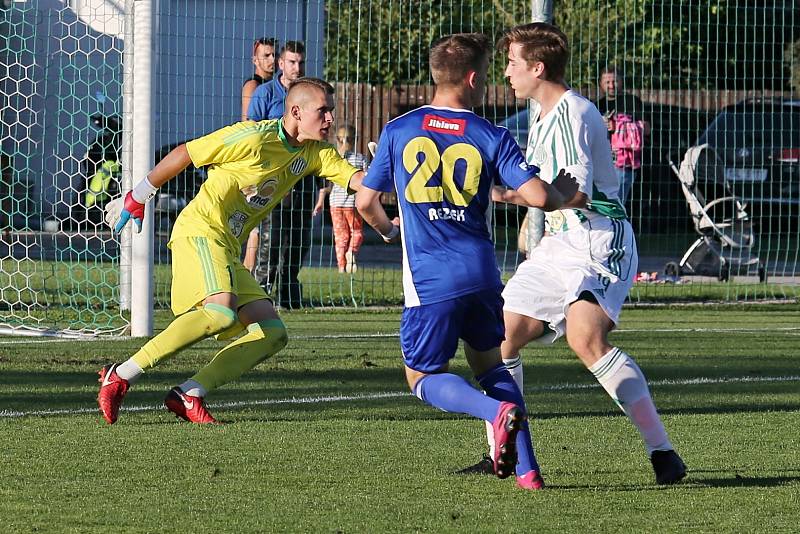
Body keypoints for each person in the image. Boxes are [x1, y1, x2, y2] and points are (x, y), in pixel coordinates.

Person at [458, 23, 686, 486]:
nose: (505, 73)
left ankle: (663, 453)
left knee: (586, 339)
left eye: (513, 64)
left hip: (599, 240)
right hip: (558, 244)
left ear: (537, 68)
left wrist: (506, 196)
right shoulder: (541, 115)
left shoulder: (574, 113)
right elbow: (548, 193)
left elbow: (574, 194)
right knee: (494, 340)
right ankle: (501, 448)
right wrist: (512, 197)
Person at [356, 33, 577, 491]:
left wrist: (387, 230)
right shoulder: (491, 134)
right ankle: (529, 474)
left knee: (421, 377)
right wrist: (561, 189)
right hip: (480, 273)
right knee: (493, 366)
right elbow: (538, 196)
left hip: (431, 280)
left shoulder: (398, 130)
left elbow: (364, 201)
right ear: (473, 79)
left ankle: (494, 413)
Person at [97, 77, 365, 425]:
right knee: (221, 313)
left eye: (331, 111)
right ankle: (120, 375)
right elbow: (186, 154)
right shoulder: (253, 137)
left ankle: (189, 393)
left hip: (226, 245)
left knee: (272, 332)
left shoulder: (318, 153)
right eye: (323, 111)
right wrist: (137, 196)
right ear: (296, 112)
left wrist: (390, 173)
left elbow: (356, 180)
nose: (330, 119)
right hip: (201, 231)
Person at [246, 41, 315, 308]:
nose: (297, 67)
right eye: (292, 62)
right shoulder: (265, 94)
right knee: (270, 239)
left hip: (302, 177)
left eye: (301, 62)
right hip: (273, 179)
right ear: (280, 64)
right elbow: (253, 134)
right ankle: (260, 294)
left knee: (299, 238)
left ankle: (289, 294)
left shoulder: (310, 94)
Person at [313, 124, 368, 273]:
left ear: (337, 139)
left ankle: (341, 267)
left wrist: (319, 202)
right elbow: (366, 182)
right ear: (355, 140)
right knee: (356, 232)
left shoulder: (333, 158)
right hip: (353, 203)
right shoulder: (360, 159)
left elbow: (325, 185)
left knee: (340, 236)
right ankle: (351, 252)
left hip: (335, 203)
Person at [594, 65, 648, 205]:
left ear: (621, 81)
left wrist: (617, 127)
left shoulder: (632, 101)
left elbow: (646, 129)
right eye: (607, 82)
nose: (611, 85)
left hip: (623, 164)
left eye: (615, 81)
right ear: (601, 83)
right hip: (599, 163)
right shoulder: (597, 105)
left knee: (615, 205)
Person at [240, 37, 276, 121]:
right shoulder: (253, 85)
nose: (273, 59)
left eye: (275, 55)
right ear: (255, 60)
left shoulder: (274, 85)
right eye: (266, 56)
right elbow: (248, 122)